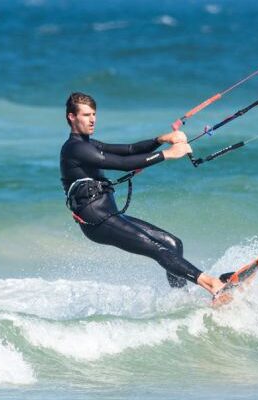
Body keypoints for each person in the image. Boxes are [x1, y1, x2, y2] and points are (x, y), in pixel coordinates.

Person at [59, 92, 231, 298]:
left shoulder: (89, 144)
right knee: (159, 249)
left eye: (94, 114)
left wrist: (161, 139)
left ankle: (181, 298)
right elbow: (123, 164)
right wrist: (167, 154)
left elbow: (129, 150)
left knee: (172, 244)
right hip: (96, 220)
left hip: (109, 215)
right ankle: (213, 285)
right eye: (86, 115)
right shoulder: (74, 148)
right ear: (72, 117)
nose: (93, 119)